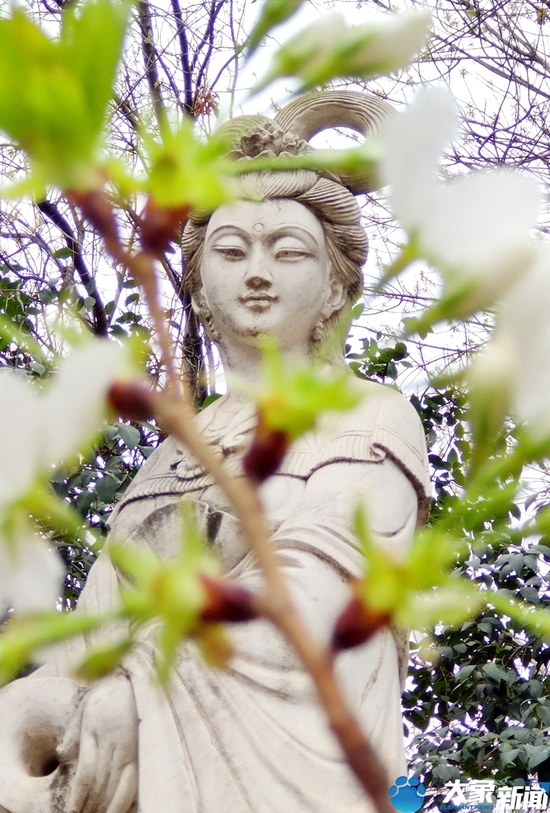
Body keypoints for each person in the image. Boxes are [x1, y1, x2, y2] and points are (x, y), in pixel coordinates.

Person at [0, 91, 430, 813]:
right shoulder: (174, 452)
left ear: (335, 287)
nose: (256, 272)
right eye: (231, 252)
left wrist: (138, 686)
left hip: (287, 773)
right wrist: (42, 696)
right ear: (199, 289)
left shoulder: (370, 415)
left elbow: (318, 600)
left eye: (287, 251)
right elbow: (98, 623)